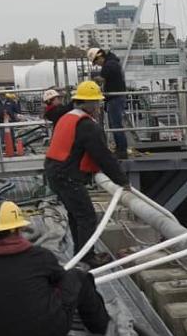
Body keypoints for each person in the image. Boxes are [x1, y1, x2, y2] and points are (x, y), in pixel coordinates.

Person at [0, 201, 111, 336]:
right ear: (18, 229)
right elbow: (60, 279)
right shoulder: (39, 256)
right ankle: (104, 328)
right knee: (78, 277)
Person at [43, 81, 130, 264]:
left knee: (76, 215)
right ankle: (87, 257)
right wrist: (122, 181)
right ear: (90, 104)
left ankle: (81, 253)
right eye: (97, 103)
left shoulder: (67, 117)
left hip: (54, 171)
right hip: (66, 176)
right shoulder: (87, 125)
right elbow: (103, 156)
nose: (99, 107)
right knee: (87, 217)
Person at [88, 48, 129, 159]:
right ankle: (120, 149)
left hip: (115, 98)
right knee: (114, 125)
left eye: (96, 62)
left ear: (100, 56)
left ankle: (122, 151)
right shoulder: (112, 62)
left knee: (116, 125)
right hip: (114, 98)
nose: (98, 65)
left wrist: (98, 79)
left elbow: (106, 76)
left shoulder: (110, 64)